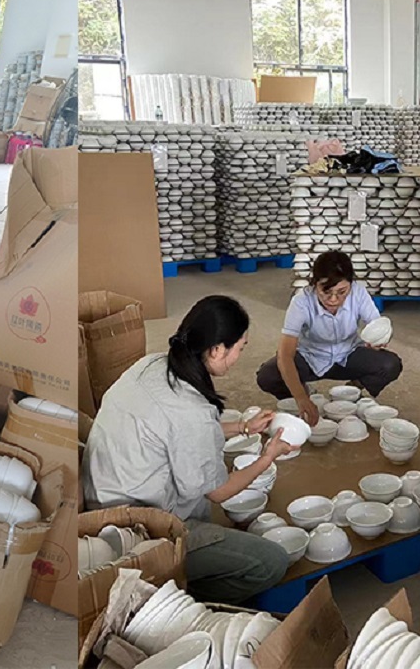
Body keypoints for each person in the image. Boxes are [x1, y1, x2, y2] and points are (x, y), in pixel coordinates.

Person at [83, 296, 297, 605]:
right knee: (271, 561)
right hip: (140, 531)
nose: (239, 356)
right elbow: (219, 492)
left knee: (203, 485)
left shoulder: (152, 364)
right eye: (241, 347)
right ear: (217, 349)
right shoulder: (192, 410)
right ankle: (169, 597)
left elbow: (177, 432)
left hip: (101, 504)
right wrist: (268, 456)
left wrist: (243, 427)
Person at [255, 251, 403, 426]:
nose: (333, 299)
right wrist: (301, 397)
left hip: (348, 355)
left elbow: (377, 325)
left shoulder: (358, 293)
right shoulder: (301, 302)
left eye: (342, 292)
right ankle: (304, 392)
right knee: (268, 375)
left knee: (390, 364)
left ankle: (352, 390)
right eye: (326, 291)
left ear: (351, 285)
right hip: (311, 358)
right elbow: (285, 354)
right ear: (315, 284)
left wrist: (380, 339)